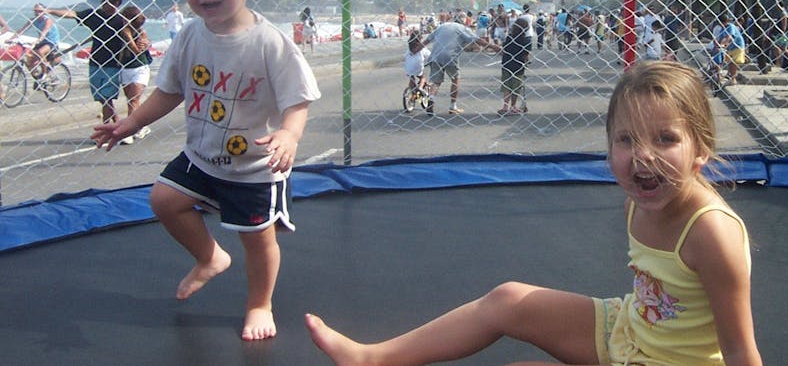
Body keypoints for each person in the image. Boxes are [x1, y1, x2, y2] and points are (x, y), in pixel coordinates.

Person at [305, 60, 761, 365]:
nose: (643, 156)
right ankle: (371, 358)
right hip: (629, 331)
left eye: (665, 139)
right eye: (626, 139)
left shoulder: (712, 234)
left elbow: (740, 352)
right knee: (509, 299)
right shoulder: (636, 200)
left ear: (700, 149)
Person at [91, 0, 321, 341]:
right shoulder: (189, 37)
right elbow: (170, 90)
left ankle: (259, 303)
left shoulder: (269, 42)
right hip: (201, 156)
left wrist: (289, 134)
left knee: (258, 241)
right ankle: (210, 256)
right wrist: (131, 123)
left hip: (254, 166)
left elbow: (297, 99)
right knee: (163, 200)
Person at [46, 0, 126, 125]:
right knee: (101, 97)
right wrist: (50, 11)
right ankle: (117, 121)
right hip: (95, 61)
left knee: (107, 97)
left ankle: (106, 129)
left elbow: (134, 35)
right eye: (104, 1)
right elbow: (72, 14)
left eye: (110, 1)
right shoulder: (94, 15)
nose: (105, 4)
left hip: (113, 64)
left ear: (117, 3)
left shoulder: (121, 21)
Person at [421, 11, 494, 116]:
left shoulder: (442, 26)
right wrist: (494, 47)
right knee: (455, 80)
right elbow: (477, 40)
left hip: (435, 56)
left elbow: (427, 40)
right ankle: (453, 106)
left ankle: (431, 97)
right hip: (450, 57)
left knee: (436, 82)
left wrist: (416, 49)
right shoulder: (462, 29)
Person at [117, 5, 154, 145]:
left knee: (133, 99)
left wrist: (128, 36)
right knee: (131, 100)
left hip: (140, 68)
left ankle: (129, 133)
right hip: (125, 68)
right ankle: (142, 126)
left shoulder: (140, 32)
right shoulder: (117, 31)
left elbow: (137, 51)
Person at [12, 3, 61, 78]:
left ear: (44, 12)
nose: (37, 13)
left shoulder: (48, 20)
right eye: (35, 11)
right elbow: (22, 30)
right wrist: (11, 39)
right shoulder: (33, 20)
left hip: (51, 42)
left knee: (40, 52)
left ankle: (45, 74)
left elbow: (45, 31)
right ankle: (38, 77)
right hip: (42, 42)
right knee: (29, 59)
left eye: (40, 11)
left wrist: (38, 40)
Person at [498, 17, 531, 115]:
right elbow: (525, 55)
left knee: (507, 86)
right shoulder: (526, 41)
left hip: (507, 64)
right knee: (516, 87)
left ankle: (505, 106)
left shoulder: (509, 37)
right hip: (518, 66)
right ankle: (513, 106)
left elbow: (504, 50)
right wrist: (527, 61)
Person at [714, 14, 746, 86]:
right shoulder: (723, 29)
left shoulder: (730, 26)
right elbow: (721, 38)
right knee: (730, 63)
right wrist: (717, 44)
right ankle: (730, 77)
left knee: (733, 63)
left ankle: (733, 79)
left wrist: (722, 44)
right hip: (730, 47)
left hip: (737, 46)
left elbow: (729, 37)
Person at [403, 30, 431, 99]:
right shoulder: (421, 47)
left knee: (412, 77)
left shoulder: (410, 47)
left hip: (408, 65)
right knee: (422, 77)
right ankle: (420, 88)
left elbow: (405, 56)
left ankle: (412, 92)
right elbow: (429, 55)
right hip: (417, 65)